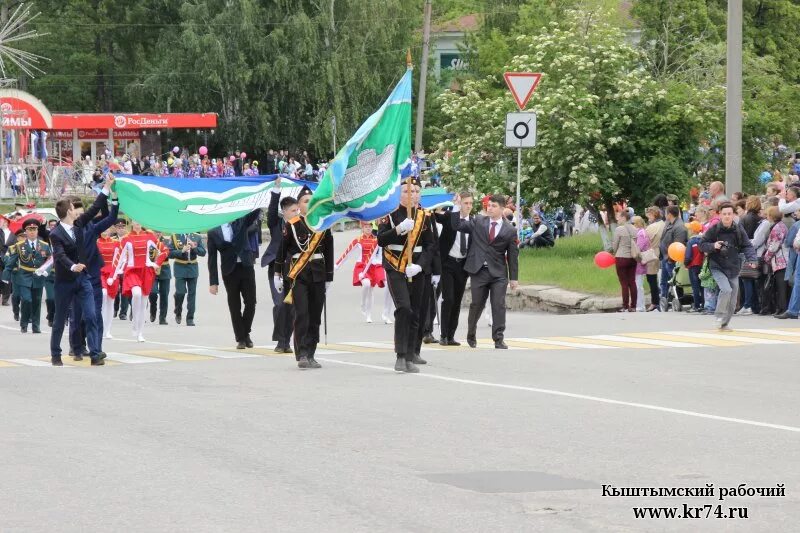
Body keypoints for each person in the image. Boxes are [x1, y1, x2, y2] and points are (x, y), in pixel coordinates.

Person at [49, 185, 116, 366]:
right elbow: (59, 255)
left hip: (83, 279)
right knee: (60, 320)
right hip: (65, 281)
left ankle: (95, 354)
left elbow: (95, 208)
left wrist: (107, 188)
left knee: (91, 315)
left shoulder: (79, 225)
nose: (76, 210)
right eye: (73, 207)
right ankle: (56, 354)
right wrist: (73, 267)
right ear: (69, 211)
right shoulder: (55, 233)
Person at [378, 178, 436, 372]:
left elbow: (430, 245)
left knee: (416, 311)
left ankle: (411, 355)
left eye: (416, 191)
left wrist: (420, 266)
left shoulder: (425, 216)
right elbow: (381, 240)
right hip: (395, 267)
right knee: (404, 308)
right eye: (407, 191)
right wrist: (400, 228)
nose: (412, 195)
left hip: (416, 268)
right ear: (399, 194)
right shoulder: (390, 214)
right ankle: (401, 355)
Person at [451, 193, 520, 349]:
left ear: (502, 208)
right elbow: (457, 226)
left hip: (498, 273)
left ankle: (498, 338)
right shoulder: (478, 221)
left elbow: (513, 256)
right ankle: (471, 333)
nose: (490, 208)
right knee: (477, 304)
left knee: (498, 304)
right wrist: (456, 207)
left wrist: (514, 278)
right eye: (489, 205)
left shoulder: (510, 230)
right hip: (479, 270)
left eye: (494, 206)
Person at [276, 187, 333, 369]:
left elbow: (329, 250)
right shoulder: (291, 225)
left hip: (318, 273)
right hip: (299, 275)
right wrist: (278, 273)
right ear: (299, 206)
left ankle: (311, 352)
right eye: (305, 201)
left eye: (311, 200)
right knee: (302, 314)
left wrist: (329, 276)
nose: (309, 204)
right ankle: (301, 353)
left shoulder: (322, 224)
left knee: (315, 315)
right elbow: (282, 250)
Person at [207, 209, 262, 350]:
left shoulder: (241, 221)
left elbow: (254, 213)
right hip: (229, 271)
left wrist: (261, 196)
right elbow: (212, 259)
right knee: (234, 305)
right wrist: (213, 282)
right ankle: (241, 339)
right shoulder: (213, 231)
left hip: (246, 266)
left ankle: (245, 332)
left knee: (251, 302)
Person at [698, 202, 757, 331]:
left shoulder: (738, 229)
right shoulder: (714, 229)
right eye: (724, 214)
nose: (727, 216)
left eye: (729, 214)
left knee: (732, 299)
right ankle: (719, 316)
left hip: (733, 267)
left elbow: (747, 245)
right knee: (726, 290)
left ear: (733, 215)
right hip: (717, 265)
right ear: (719, 215)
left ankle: (724, 324)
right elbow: (702, 245)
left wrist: (752, 259)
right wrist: (713, 246)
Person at [112, 221, 168, 342]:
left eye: (139, 222)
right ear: (131, 223)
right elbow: (119, 258)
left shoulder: (149, 236)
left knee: (143, 303)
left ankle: (140, 332)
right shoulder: (127, 238)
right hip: (132, 271)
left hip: (146, 271)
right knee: (136, 293)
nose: (137, 224)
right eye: (134, 221)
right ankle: (134, 322)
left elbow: (164, 251)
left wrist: (155, 264)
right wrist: (113, 275)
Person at [260, 178, 295, 353]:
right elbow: (272, 210)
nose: (296, 213)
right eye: (292, 210)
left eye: (297, 210)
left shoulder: (301, 225)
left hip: (295, 268)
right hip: (277, 268)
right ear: (284, 212)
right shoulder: (276, 224)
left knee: (291, 306)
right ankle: (282, 341)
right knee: (280, 304)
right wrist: (276, 189)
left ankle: (285, 341)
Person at [435, 191, 473, 345]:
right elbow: (436, 215)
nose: (469, 206)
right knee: (448, 298)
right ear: (459, 203)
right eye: (466, 203)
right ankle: (443, 335)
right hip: (448, 263)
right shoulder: (450, 217)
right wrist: (446, 203)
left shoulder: (474, 222)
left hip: (462, 266)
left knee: (457, 300)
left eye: (471, 203)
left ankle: (451, 335)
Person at [3, 219, 51, 333]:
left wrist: (46, 270)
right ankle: (24, 323)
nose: (32, 232)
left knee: (37, 301)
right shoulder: (19, 246)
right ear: (26, 231)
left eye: (34, 229)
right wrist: (5, 275)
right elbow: (11, 262)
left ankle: (36, 326)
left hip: (38, 276)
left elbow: (50, 260)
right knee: (26, 300)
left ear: (38, 231)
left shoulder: (44, 245)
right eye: (30, 230)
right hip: (23, 276)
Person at [335, 221, 388, 323]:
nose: (368, 228)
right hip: (361, 266)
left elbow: (382, 254)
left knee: (371, 290)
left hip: (373, 266)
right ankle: (363, 303)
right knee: (366, 284)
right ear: (362, 228)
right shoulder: (358, 240)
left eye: (370, 227)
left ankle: (369, 315)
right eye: (366, 227)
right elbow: (347, 253)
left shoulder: (377, 239)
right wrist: (337, 265)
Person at [167, 231, 206, 326]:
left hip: (192, 267)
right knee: (180, 292)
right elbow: (169, 253)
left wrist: (195, 248)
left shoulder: (196, 236)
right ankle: (178, 310)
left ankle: (190, 318)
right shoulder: (175, 236)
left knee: (192, 294)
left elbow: (203, 252)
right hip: (180, 267)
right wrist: (181, 251)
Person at [761, 206, 789, 316]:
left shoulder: (778, 227)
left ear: (772, 216)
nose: (766, 216)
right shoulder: (779, 226)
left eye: (768, 214)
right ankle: (779, 308)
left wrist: (766, 257)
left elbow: (774, 246)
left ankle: (782, 308)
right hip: (779, 261)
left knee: (781, 287)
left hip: (780, 261)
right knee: (779, 286)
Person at [659, 206, 688, 309]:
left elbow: (678, 244)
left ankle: (678, 299)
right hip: (666, 258)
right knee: (664, 282)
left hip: (672, 259)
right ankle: (664, 299)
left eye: (665, 213)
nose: (664, 215)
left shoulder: (679, 227)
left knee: (676, 281)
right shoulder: (669, 224)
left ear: (670, 214)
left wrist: (672, 258)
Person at [96, 226, 121, 339]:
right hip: (99, 272)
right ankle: (99, 327)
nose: (104, 232)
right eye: (102, 230)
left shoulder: (116, 243)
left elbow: (119, 259)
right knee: (103, 294)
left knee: (111, 301)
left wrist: (114, 274)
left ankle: (108, 330)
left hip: (112, 273)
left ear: (110, 230)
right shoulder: (95, 242)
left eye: (106, 230)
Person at [611, 210, 638, 312]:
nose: (618, 219)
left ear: (623, 217)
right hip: (633, 258)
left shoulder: (619, 229)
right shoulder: (635, 229)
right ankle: (634, 306)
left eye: (619, 217)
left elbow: (615, 245)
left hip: (621, 257)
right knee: (632, 282)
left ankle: (625, 306)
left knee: (624, 283)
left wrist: (613, 251)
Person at [643, 207, 665, 312]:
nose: (648, 218)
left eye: (649, 215)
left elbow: (644, 240)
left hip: (652, 254)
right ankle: (663, 299)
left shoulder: (652, 227)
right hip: (663, 253)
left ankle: (654, 302)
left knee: (652, 279)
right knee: (663, 278)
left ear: (653, 215)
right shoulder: (664, 224)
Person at [148, 232, 172, 325]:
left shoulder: (166, 242)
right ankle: (153, 310)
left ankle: (162, 317)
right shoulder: (149, 242)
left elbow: (171, 253)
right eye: (155, 232)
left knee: (164, 295)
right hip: (152, 270)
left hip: (164, 270)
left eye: (158, 232)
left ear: (161, 233)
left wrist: (162, 253)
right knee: (152, 292)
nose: (157, 234)